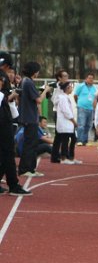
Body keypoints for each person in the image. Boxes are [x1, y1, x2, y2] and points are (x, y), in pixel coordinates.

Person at [0, 55, 32, 196]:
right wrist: (9, 96)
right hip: (3, 121)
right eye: (10, 71)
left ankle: (12, 183)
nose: (12, 74)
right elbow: (3, 98)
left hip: (6, 119)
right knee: (8, 152)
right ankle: (13, 184)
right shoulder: (2, 77)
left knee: (5, 152)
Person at [18, 61, 52, 177]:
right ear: (34, 72)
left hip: (28, 116)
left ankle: (31, 169)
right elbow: (38, 100)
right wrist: (46, 90)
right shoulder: (28, 82)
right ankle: (24, 169)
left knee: (32, 144)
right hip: (30, 117)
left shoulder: (24, 81)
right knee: (30, 144)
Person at [52, 81, 79, 164]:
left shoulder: (67, 97)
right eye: (70, 87)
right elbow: (66, 111)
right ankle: (64, 158)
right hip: (66, 123)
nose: (72, 89)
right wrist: (73, 121)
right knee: (65, 140)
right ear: (67, 88)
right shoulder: (62, 98)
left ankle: (70, 157)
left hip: (69, 123)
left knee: (73, 139)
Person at [74, 72, 97, 145]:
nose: (91, 80)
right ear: (86, 79)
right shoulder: (81, 86)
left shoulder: (94, 88)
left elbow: (95, 98)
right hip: (82, 107)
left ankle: (85, 140)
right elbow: (75, 95)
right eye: (89, 78)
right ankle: (79, 140)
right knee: (81, 124)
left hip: (91, 108)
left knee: (88, 125)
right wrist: (79, 103)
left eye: (92, 78)